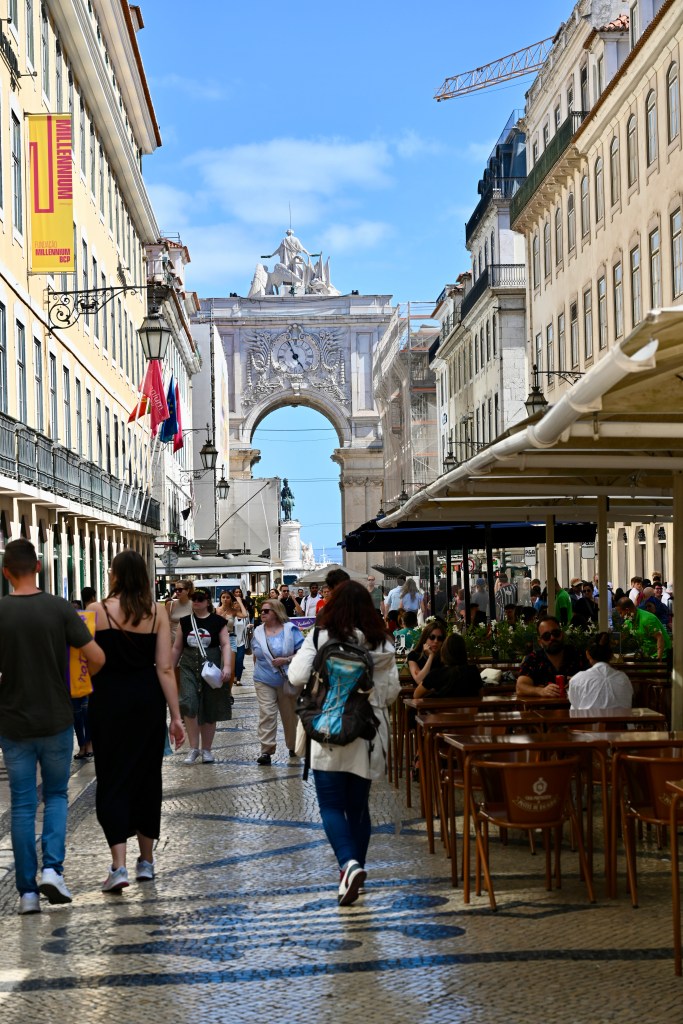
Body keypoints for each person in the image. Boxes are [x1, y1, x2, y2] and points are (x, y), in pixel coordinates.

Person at [0, 539, 106, 915]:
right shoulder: (60, 608)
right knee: (57, 796)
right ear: (39, 567)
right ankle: (52, 871)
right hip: (57, 717)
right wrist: (78, 685)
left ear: (5, 572)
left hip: (13, 721)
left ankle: (27, 894)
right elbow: (97, 657)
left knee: (23, 804)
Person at [288, 581, 400, 906]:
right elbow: (391, 693)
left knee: (331, 805)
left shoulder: (320, 637)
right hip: (367, 731)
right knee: (358, 807)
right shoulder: (383, 642)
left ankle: (348, 864)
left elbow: (296, 677)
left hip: (328, 728)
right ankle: (354, 872)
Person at [90, 550, 185, 893]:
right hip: (147, 700)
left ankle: (118, 866)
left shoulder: (95, 611)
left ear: (114, 575)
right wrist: (176, 717)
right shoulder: (156, 612)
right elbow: (165, 668)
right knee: (147, 777)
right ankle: (146, 861)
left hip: (108, 700)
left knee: (111, 778)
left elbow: (90, 662)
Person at [171, 588, 232, 765]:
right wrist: (169, 668)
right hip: (188, 666)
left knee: (209, 706)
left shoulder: (218, 621)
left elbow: (225, 644)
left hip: (210, 668)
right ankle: (193, 748)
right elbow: (177, 647)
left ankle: (206, 749)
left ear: (207, 601)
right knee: (189, 703)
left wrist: (227, 666)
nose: (196, 602)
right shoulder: (185, 622)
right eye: (193, 599)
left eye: (200, 599)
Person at [251, 598, 304, 765]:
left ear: (276, 612)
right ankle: (266, 751)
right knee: (267, 713)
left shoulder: (291, 629)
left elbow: (303, 652)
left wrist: (286, 659)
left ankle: (293, 746)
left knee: (290, 715)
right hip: (263, 679)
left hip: (287, 679)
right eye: (261, 610)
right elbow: (255, 654)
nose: (262, 613)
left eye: (266, 611)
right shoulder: (258, 631)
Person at [516, 616, 588, 698]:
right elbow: (520, 687)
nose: (552, 638)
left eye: (556, 633)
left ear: (562, 634)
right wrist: (541, 691)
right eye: (546, 636)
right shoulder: (533, 659)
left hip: (576, 704)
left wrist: (578, 681)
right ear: (540, 642)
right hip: (543, 706)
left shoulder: (578, 655)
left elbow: (595, 678)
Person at [568, 633, 633, 710]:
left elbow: (575, 707)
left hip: (588, 718)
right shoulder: (624, 678)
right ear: (611, 656)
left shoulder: (577, 679)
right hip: (620, 718)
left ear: (587, 654)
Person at [414, 632, 483, 699]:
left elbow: (416, 695)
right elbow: (481, 695)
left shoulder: (436, 674)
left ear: (444, 652)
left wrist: (433, 691)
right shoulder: (473, 671)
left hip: (442, 707)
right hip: (470, 707)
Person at [216, 589, 249, 685]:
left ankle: (228, 690)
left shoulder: (233, 611)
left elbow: (245, 615)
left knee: (231, 667)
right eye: (223, 597)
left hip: (230, 638)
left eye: (228, 597)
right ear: (220, 599)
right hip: (217, 639)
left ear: (231, 599)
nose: (225, 599)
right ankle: (218, 687)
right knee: (218, 665)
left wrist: (239, 601)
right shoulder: (216, 610)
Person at [406, 621, 447, 687]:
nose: (436, 641)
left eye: (440, 638)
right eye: (432, 637)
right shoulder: (413, 655)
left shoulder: (445, 657)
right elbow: (419, 680)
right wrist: (431, 657)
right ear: (425, 638)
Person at [166, 579, 194, 646]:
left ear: (187, 590)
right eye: (175, 589)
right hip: (172, 643)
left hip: (188, 643)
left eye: (180, 589)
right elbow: (165, 625)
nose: (177, 592)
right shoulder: (170, 604)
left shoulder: (194, 605)